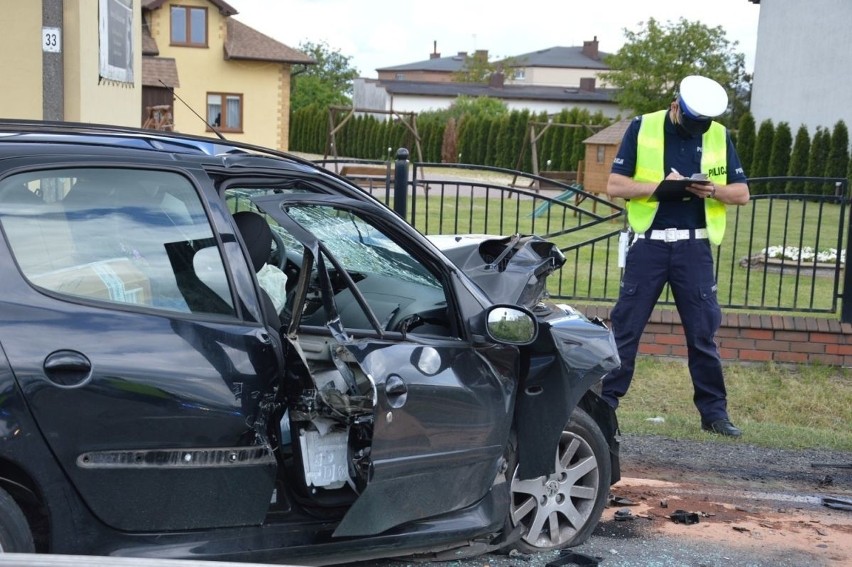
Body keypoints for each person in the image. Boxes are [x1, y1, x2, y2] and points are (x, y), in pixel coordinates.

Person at [602, 75, 750, 437]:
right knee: (625, 330)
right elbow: (615, 185)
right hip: (649, 244)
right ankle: (603, 408)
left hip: (694, 247)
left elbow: (742, 193)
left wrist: (712, 189)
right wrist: (664, 188)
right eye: (691, 123)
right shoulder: (643, 127)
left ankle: (714, 414)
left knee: (703, 334)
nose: (696, 130)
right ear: (675, 107)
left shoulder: (717, 134)